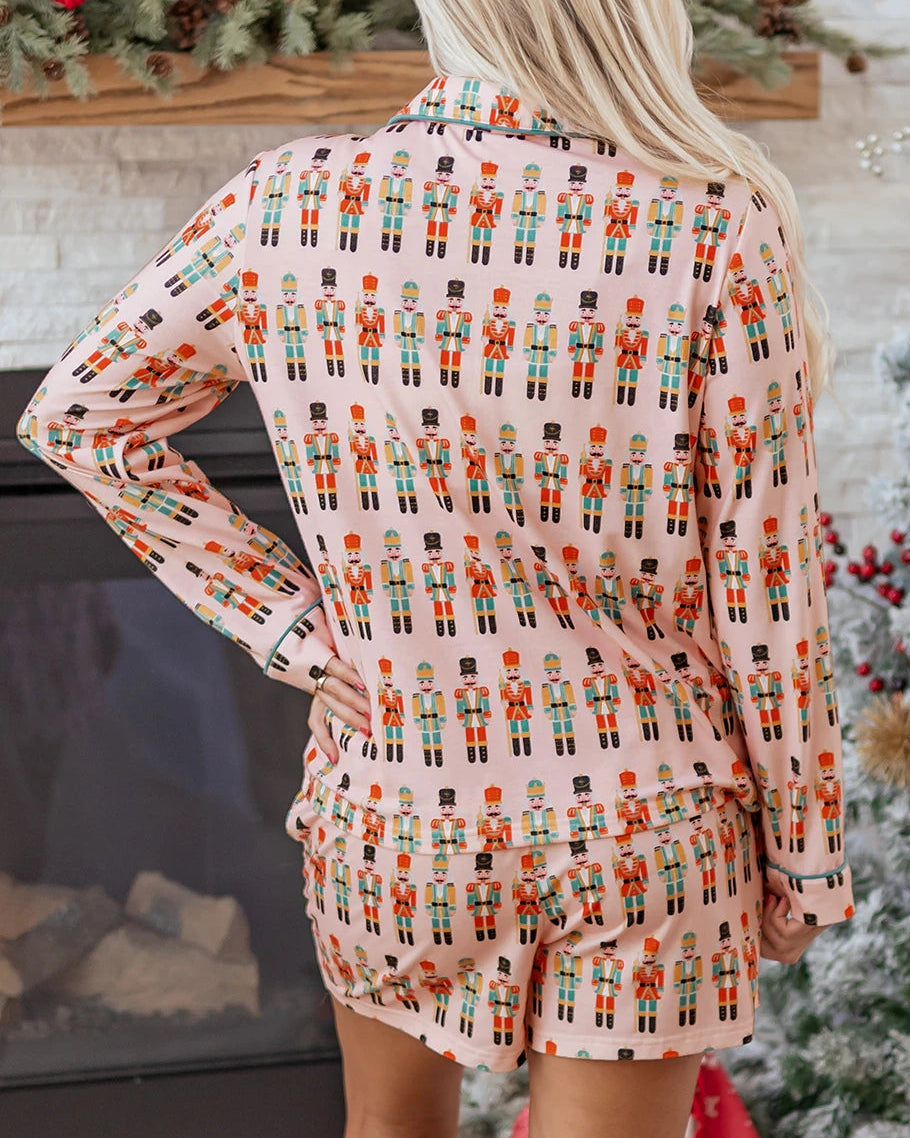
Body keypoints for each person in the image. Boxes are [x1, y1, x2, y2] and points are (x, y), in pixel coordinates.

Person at [16, 1, 856, 1135]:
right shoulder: (712, 222)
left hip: (403, 802)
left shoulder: (289, 200)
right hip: (645, 817)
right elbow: (769, 593)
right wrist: (804, 854)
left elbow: (79, 418)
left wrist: (289, 628)